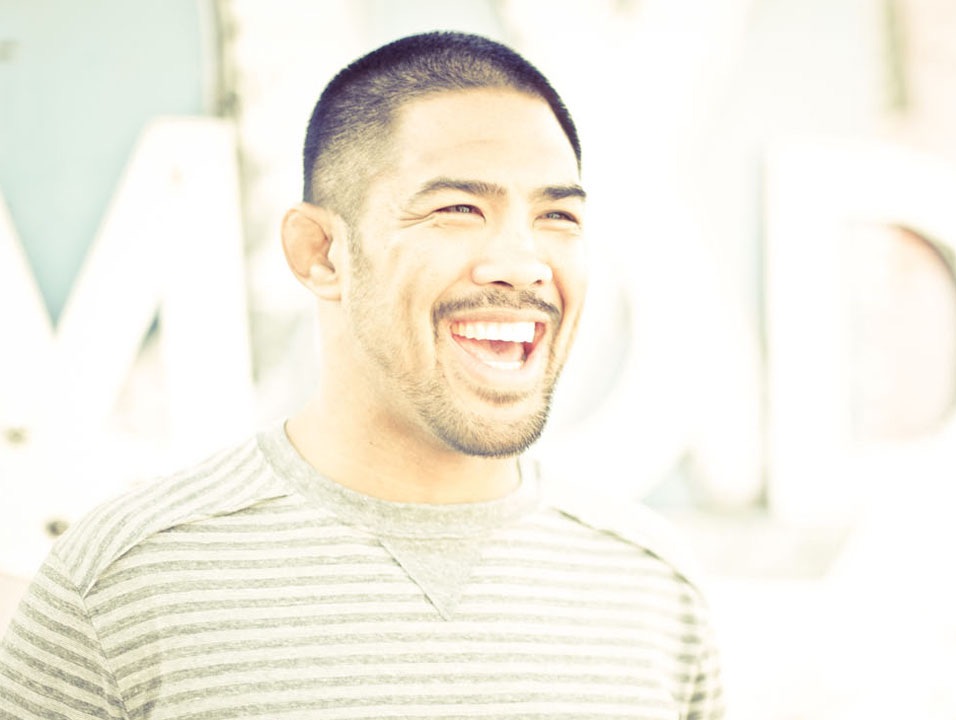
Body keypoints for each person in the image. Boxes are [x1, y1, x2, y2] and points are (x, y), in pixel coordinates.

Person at [0, 31, 723, 719]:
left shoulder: (655, 587)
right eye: (458, 208)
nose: (523, 263)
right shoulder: (123, 583)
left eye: (558, 216)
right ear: (320, 253)